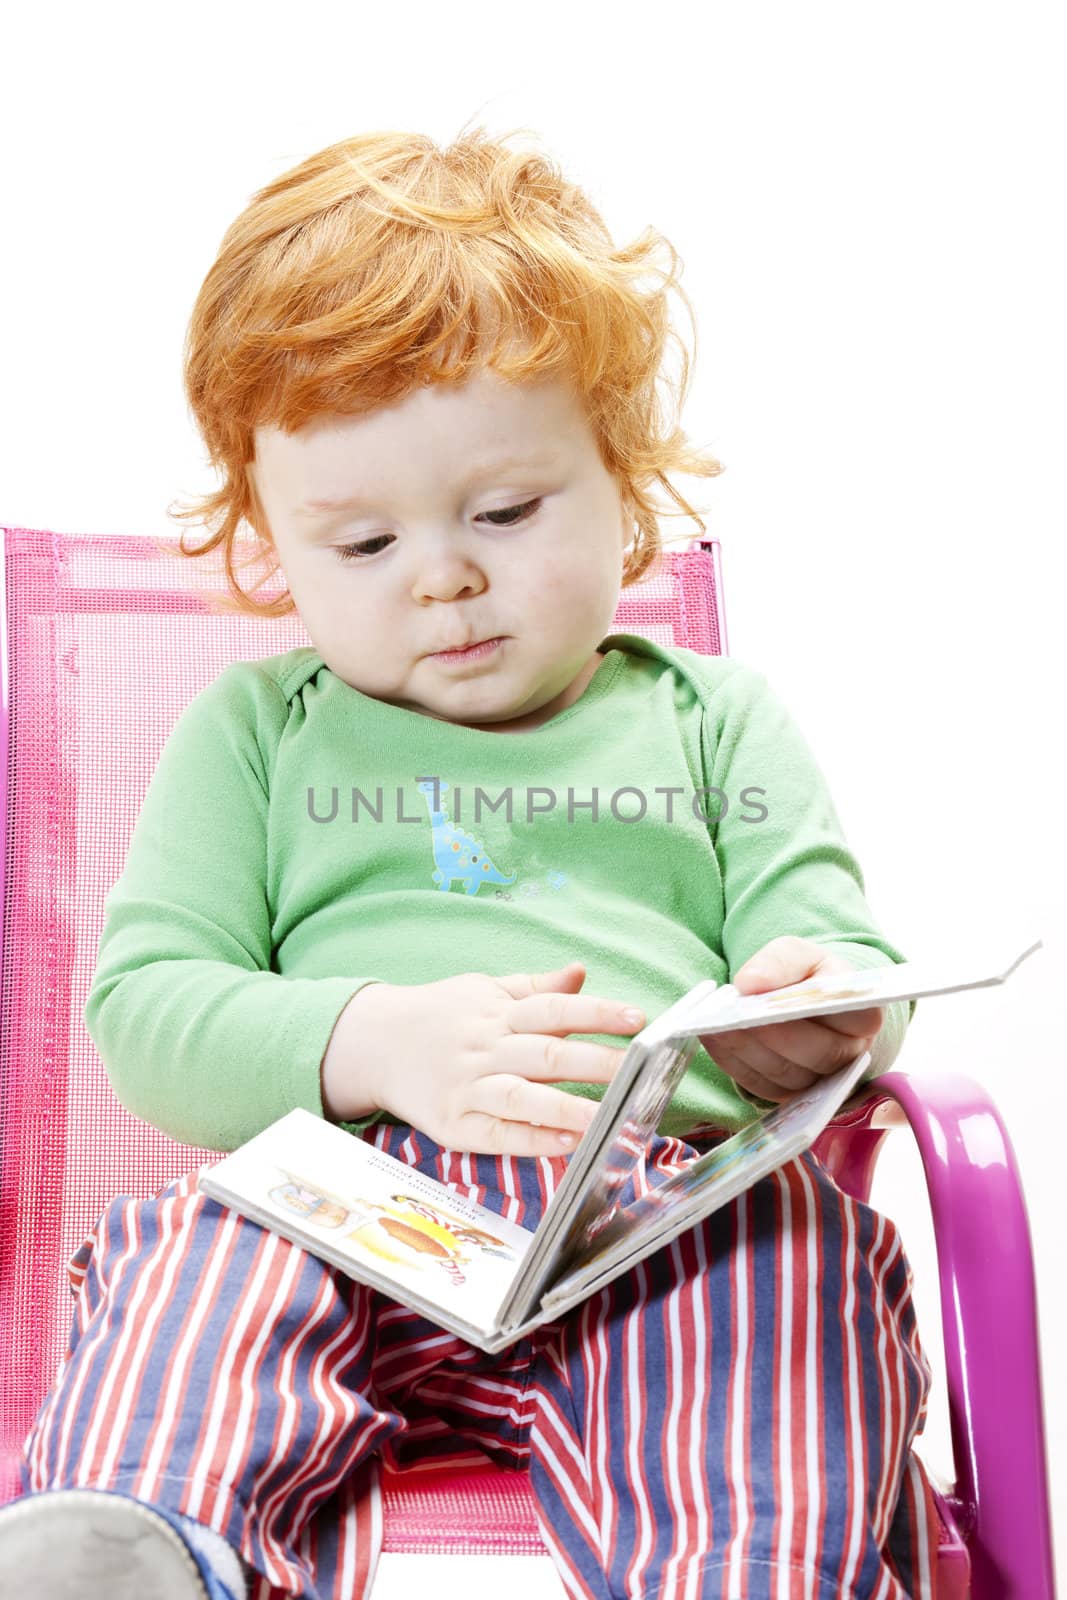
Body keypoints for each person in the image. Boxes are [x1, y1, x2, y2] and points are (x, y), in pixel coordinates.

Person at [0, 125, 942, 1600]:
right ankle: (142, 1546)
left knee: (783, 1268)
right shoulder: (253, 731)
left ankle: (741, 1574)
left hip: (650, 1208)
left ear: (624, 483)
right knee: (197, 1269)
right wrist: (376, 1039)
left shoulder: (713, 717)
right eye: (362, 542)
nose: (441, 575)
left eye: (504, 514)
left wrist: (813, 1018)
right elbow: (150, 1014)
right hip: (338, 1197)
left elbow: (843, 964)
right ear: (272, 547)